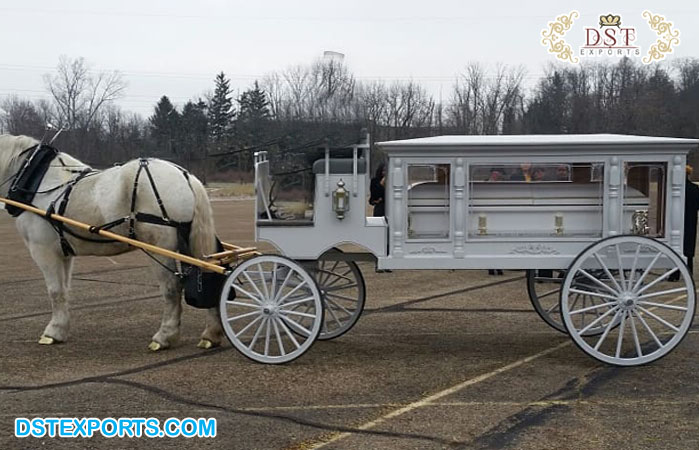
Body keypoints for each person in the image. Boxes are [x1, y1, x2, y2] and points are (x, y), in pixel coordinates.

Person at [671, 165, 699, 281]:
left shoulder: (674, 189)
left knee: (675, 246)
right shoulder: (695, 189)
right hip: (690, 220)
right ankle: (689, 272)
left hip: (675, 220)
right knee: (688, 248)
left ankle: (674, 274)